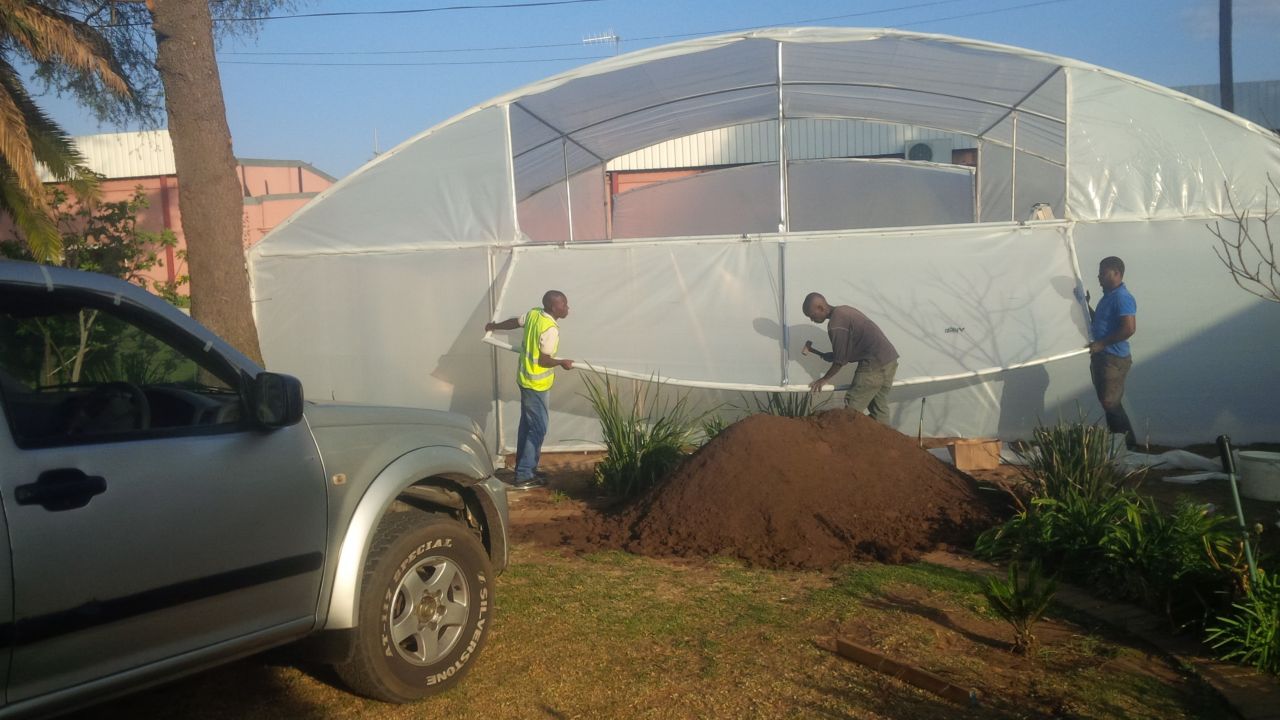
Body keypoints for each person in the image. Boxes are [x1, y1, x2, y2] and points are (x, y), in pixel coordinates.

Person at [485, 291, 574, 490]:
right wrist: (562, 363)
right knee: (538, 429)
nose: (567, 308)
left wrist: (494, 326)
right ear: (553, 308)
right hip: (536, 385)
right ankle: (524, 474)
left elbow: (514, 322)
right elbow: (544, 360)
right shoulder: (550, 328)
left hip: (525, 379)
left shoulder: (534, 314)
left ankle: (526, 469)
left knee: (527, 426)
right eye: (564, 305)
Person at [801, 292, 900, 424]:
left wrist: (824, 379)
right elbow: (844, 354)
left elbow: (840, 361)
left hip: (873, 365)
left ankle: (848, 443)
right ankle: (887, 442)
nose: (812, 320)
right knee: (879, 408)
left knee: (851, 410)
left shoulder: (835, 324)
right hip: (889, 360)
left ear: (820, 308)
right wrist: (830, 356)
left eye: (812, 316)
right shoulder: (844, 311)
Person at [1086, 257, 1137, 447]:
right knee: (1109, 404)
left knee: (1111, 404)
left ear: (1116, 273)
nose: (1099, 277)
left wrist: (1102, 343)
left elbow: (1129, 328)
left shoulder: (1122, 298)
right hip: (1103, 357)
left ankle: (1128, 447)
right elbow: (1100, 323)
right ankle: (1119, 445)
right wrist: (1085, 306)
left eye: (1102, 272)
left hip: (1114, 358)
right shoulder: (1108, 297)